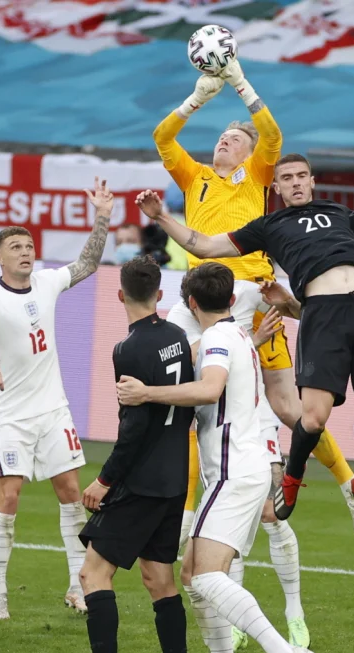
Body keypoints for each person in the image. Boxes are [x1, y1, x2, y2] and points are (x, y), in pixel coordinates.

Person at [136, 154, 354, 537]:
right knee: (312, 419)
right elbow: (205, 245)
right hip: (321, 315)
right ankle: (291, 478)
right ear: (276, 187)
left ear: (312, 181)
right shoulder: (269, 226)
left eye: (301, 176)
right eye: (287, 177)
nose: (295, 182)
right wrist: (161, 216)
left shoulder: (338, 213)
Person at [153, 59, 354, 546]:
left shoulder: (256, 176)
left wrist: (239, 83)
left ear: (253, 157)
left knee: (290, 407)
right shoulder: (194, 177)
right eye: (222, 138)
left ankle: (351, 490)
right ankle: (186, 518)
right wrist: (197, 98)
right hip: (196, 296)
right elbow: (163, 137)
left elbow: (272, 133)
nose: (224, 142)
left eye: (234, 140)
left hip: (250, 294)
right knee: (186, 403)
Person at [116, 263, 311, 653]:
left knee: (205, 576)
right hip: (242, 467)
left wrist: (146, 393)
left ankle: (284, 649)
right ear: (233, 300)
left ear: (191, 303)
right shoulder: (237, 334)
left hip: (232, 471)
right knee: (192, 575)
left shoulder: (219, 338)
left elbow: (209, 389)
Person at [0, 177, 114, 620]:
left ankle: (77, 587)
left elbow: (87, 264)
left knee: (71, 493)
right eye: (15, 247)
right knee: (9, 499)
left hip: (53, 410)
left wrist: (102, 216)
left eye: (28, 245)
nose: (25, 252)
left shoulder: (46, 283)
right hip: (11, 415)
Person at [76, 255, 194, 653]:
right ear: (160, 294)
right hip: (174, 477)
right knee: (158, 579)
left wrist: (104, 480)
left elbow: (134, 429)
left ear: (120, 294)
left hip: (142, 481)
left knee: (93, 574)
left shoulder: (128, 349)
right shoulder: (178, 336)